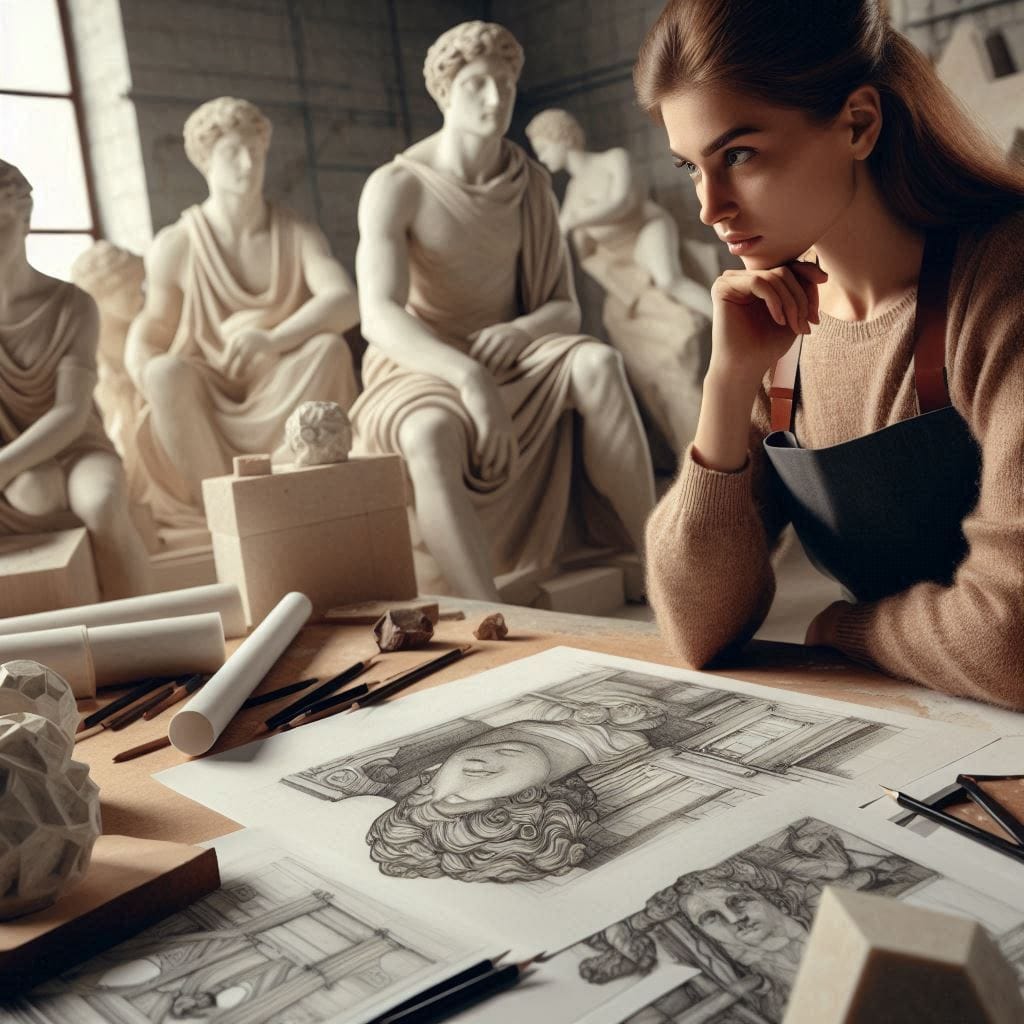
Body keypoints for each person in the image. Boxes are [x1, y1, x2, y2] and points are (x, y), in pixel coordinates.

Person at [637, 0, 1024, 709]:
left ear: (858, 124)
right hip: (938, 727)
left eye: (739, 155)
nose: (709, 207)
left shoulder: (1005, 287)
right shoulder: (779, 329)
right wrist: (727, 389)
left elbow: (1013, 643)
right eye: (690, 167)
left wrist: (851, 630)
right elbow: (697, 629)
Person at [351, 21, 656, 600]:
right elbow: (378, 316)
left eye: (505, 85)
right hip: (422, 363)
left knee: (597, 365)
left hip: (515, 355)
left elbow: (564, 308)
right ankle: (488, 611)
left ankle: (657, 554)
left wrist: (522, 330)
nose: (495, 100)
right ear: (445, 91)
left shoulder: (529, 183)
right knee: (428, 432)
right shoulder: (396, 186)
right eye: (476, 85)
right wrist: (468, 378)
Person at [124, 97, 359, 533]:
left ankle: (299, 495)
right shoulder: (177, 243)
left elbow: (345, 301)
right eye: (231, 152)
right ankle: (223, 513)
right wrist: (143, 371)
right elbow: (153, 326)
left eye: (255, 150)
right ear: (204, 161)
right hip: (211, 382)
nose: (247, 163)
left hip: (279, 372)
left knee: (328, 349)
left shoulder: (295, 232)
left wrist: (273, 339)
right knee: (164, 375)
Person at [0, 161, 150, 598]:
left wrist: (4, 467)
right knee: (34, 493)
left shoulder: (72, 304)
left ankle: (144, 632)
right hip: (12, 458)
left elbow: (71, 411)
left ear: (25, 220)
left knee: (101, 505)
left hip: (76, 447)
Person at [526, 107, 713, 318]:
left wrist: (576, 218)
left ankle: (729, 323)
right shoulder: (573, 190)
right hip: (624, 253)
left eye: (543, 148)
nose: (541, 158)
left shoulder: (614, 159)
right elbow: (558, 231)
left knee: (669, 280)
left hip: (648, 227)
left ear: (562, 138)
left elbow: (622, 202)